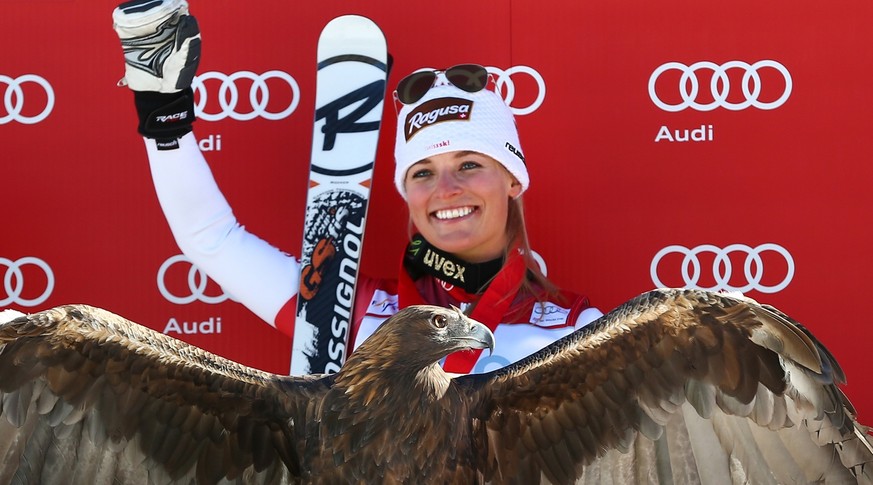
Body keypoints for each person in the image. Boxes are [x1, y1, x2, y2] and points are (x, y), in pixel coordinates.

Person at [112, 0, 602, 374]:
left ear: (513, 178)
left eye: (469, 164)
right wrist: (165, 117)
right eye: (423, 172)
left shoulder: (581, 331)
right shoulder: (344, 307)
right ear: (406, 192)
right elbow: (212, 241)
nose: (446, 188)